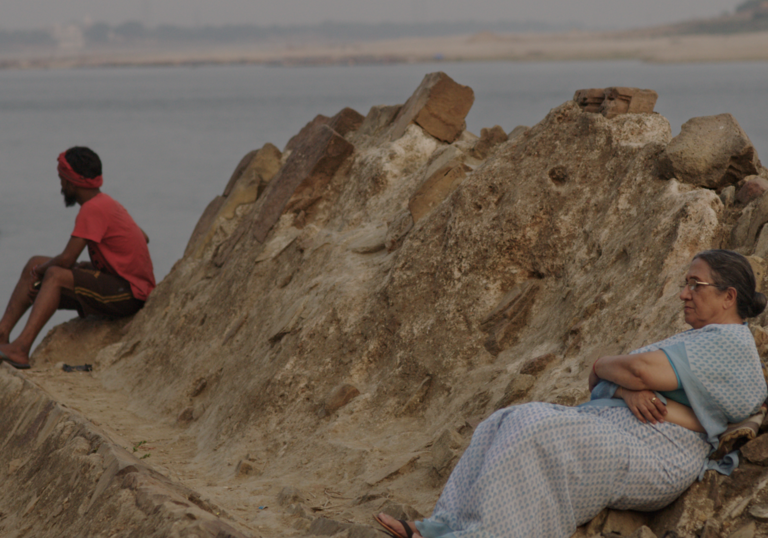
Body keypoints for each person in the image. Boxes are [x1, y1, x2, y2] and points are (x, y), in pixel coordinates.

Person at [376, 250, 768, 538]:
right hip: (626, 433)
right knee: (506, 419)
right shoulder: (701, 339)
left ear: (728, 297)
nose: (683, 293)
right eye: (685, 283)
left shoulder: (730, 342)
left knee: (536, 428)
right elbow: (619, 375)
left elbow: (631, 369)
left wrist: (609, 371)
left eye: (694, 285)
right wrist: (627, 388)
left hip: (658, 452)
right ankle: (439, 527)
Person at [0, 147, 155, 369]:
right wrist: (95, 266)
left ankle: (20, 349)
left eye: (62, 180)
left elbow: (65, 260)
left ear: (72, 183)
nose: (61, 186)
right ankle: (2, 333)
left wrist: (42, 272)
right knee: (35, 262)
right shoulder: (107, 203)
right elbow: (143, 237)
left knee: (53, 274)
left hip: (129, 295)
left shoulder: (92, 209)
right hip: (119, 285)